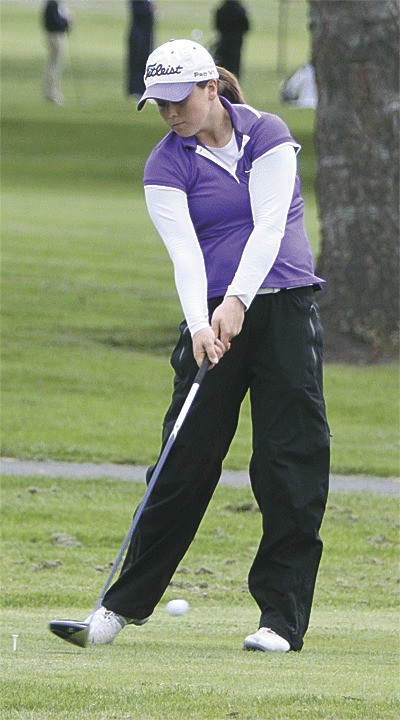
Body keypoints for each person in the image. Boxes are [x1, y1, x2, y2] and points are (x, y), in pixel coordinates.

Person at [87, 39, 330, 653]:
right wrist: (200, 323)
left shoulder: (267, 134)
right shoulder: (165, 165)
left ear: (210, 89)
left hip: (284, 312)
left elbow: (270, 225)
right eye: (158, 104)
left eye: (179, 101)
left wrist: (239, 302)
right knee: (182, 460)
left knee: (288, 462)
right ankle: (118, 608)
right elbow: (186, 256)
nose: (170, 114)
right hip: (213, 323)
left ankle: (280, 619)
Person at [42, 0, 72, 105]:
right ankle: (52, 93)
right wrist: (67, 21)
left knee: (53, 65)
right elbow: (55, 23)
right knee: (55, 66)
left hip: (54, 37)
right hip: (55, 37)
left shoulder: (54, 4)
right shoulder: (52, 4)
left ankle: (50, 92)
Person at [211, 0, 250, 78]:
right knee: (234, 65)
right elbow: (246, 26)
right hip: (236, 41)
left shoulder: (222, 9)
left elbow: (217, 25)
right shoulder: (240, 9)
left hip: (223, 41)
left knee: (223, 62)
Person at [126, 0, 155, 97]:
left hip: (146, 32)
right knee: (138, 58)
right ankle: (136, 90)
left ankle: (143, 88)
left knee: (145, 58)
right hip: (139, 32)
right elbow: (139, 10)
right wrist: (149, 8)